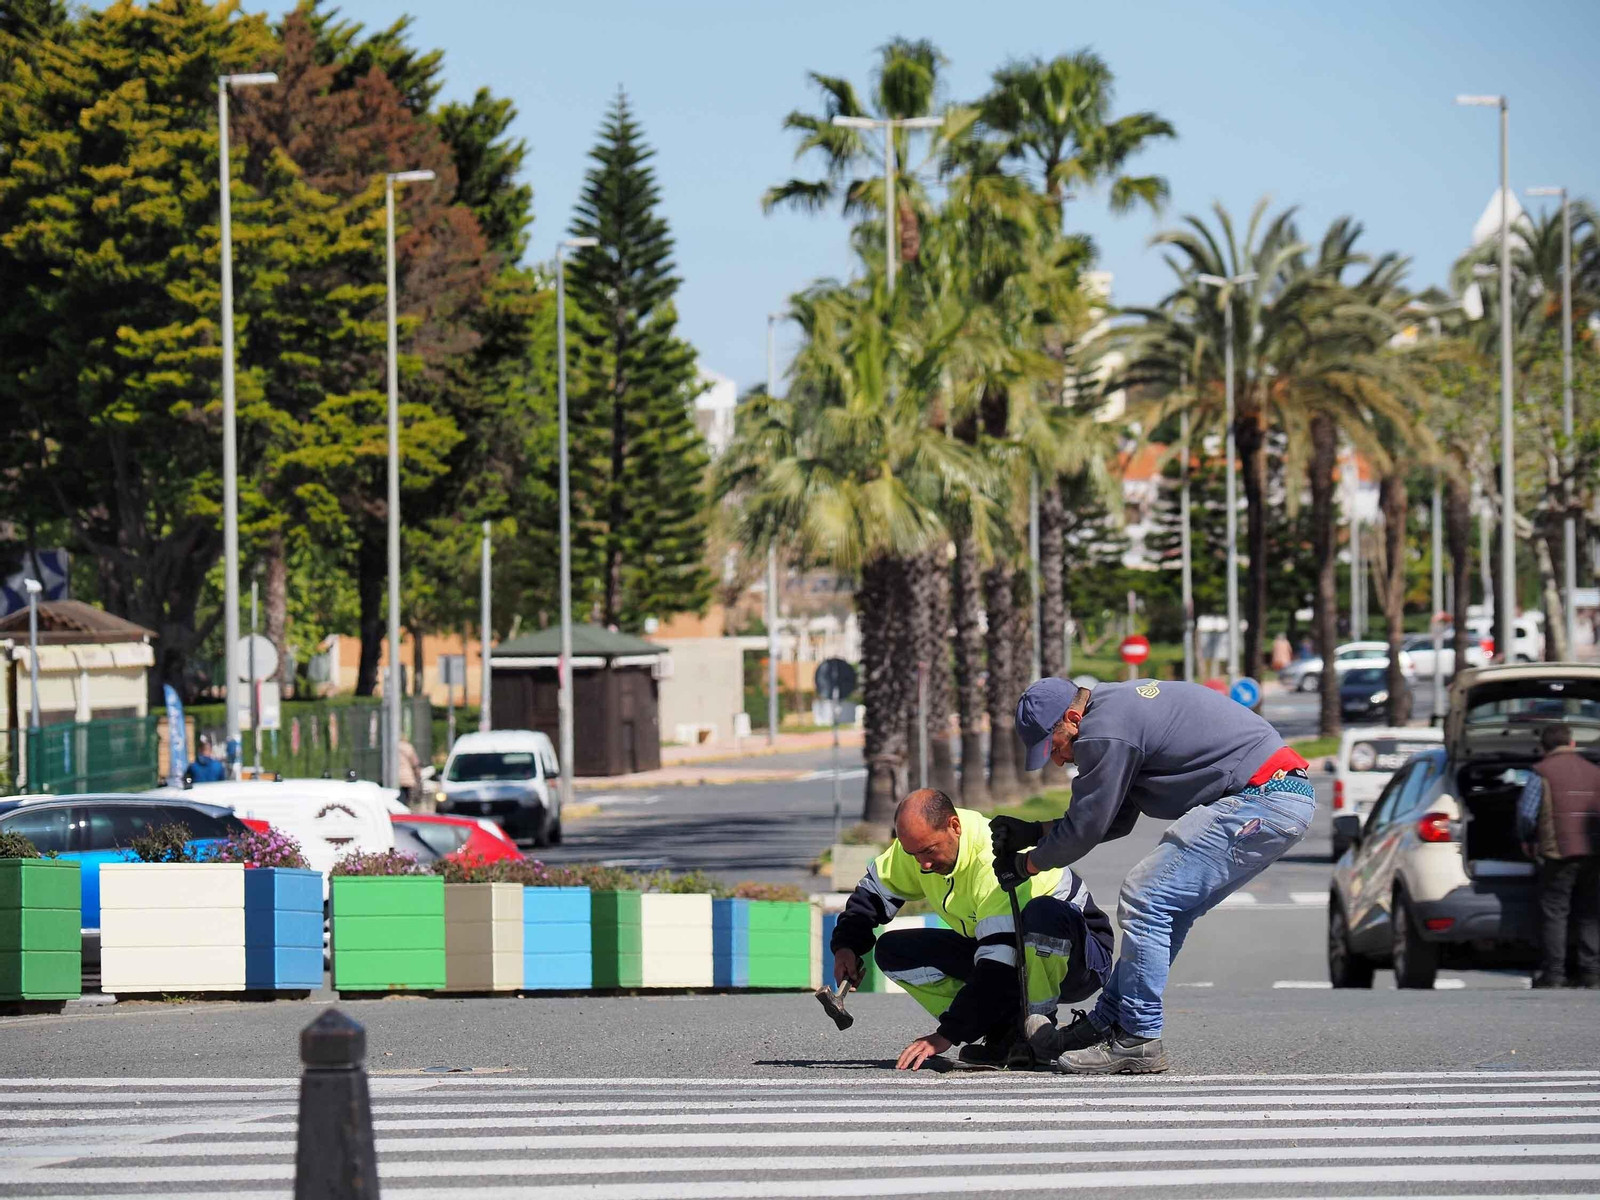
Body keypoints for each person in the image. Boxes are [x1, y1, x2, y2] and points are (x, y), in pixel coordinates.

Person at [993, 676, 1315, 1074]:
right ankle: (1109, 1021)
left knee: (1147, 897)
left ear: (1072, 718)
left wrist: (1026, 865)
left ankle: (1139, 1037)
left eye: (1055, 747)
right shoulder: (1115, 713)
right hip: (1280, 799)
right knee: (1167, 910)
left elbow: (1086, 828)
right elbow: (1114, 817)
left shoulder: (1104, 732)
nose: (1058, 761)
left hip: (1261, 799)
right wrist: (1034, 831)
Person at [831, 788, 1113, 1071]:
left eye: (929, 851)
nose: (923, 865)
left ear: (954, 826)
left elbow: (998, 965)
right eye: (913, 854)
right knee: (893, 952)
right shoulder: (918, 844)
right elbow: (872, 895)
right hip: (1009, 953)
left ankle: (1037, 1033)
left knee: (1041, 916)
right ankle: (1004, 1030)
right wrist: (847, 946)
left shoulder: (990, 860)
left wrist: (947, 1035)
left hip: (1080, 959)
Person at [1517, 722, 1600, 989]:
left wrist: (1527, 840)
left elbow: (1527, 815)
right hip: (1594, 852)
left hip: (1558, 852)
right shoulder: (1595, 772)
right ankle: (1591, 973)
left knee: (1555, 912)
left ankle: (1554, 974)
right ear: (1572, 743)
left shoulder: (1541, 772)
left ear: (1543, 748)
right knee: (1590, 912)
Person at [396, 737, 424, 810]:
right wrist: (418, 775)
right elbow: (415, 763)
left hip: (393, 778)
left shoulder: (390, 746)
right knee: (405, 800)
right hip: (406, 779)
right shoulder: (408, 747)